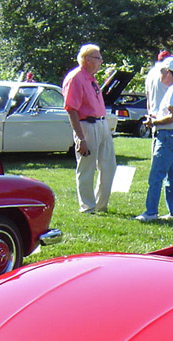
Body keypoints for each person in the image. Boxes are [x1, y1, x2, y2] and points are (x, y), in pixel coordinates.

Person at [63, 43, 116, 214]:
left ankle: (101, 204)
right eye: (97, 58)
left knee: (109, 165)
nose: (101, 61)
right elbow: (71, 109)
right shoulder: (76, 78)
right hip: (87, 125)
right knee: (86, 167)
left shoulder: (91, 78)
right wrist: (81, 138)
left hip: (101, 124)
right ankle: (87, 206)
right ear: (86, 59)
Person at [136, 57, 173, 222]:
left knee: (156, 176)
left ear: (168, 72)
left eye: (161, 71)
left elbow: (172, 117)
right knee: (172, 176)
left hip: (167, 136)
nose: (160, 75)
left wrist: (153, 122)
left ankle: (151, 212)